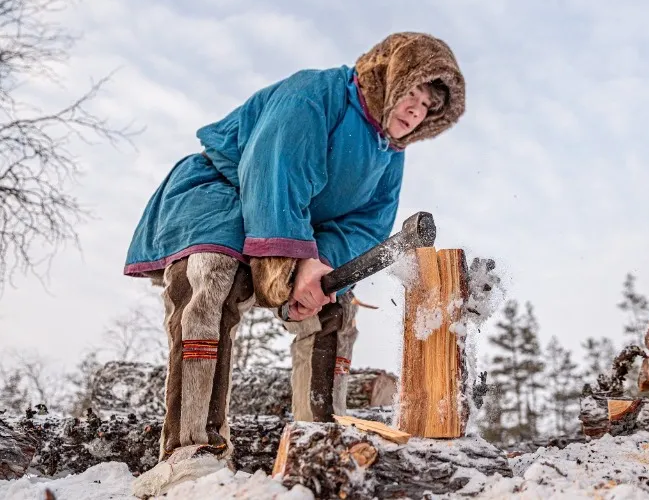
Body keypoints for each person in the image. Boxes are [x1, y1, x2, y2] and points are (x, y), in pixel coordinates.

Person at [122, 32, 465, 496]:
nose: (414, 111)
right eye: (411, 94)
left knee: (335, 311)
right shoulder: (316, 94)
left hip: (293, 226)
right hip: (223, 192)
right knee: (211, 278)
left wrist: (321, 266)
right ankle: (190, 454)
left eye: (426, 107)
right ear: (387, 79)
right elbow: (274, 170)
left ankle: (318, 442)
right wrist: (296, 259)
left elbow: (365, 226)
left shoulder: (390, 157)